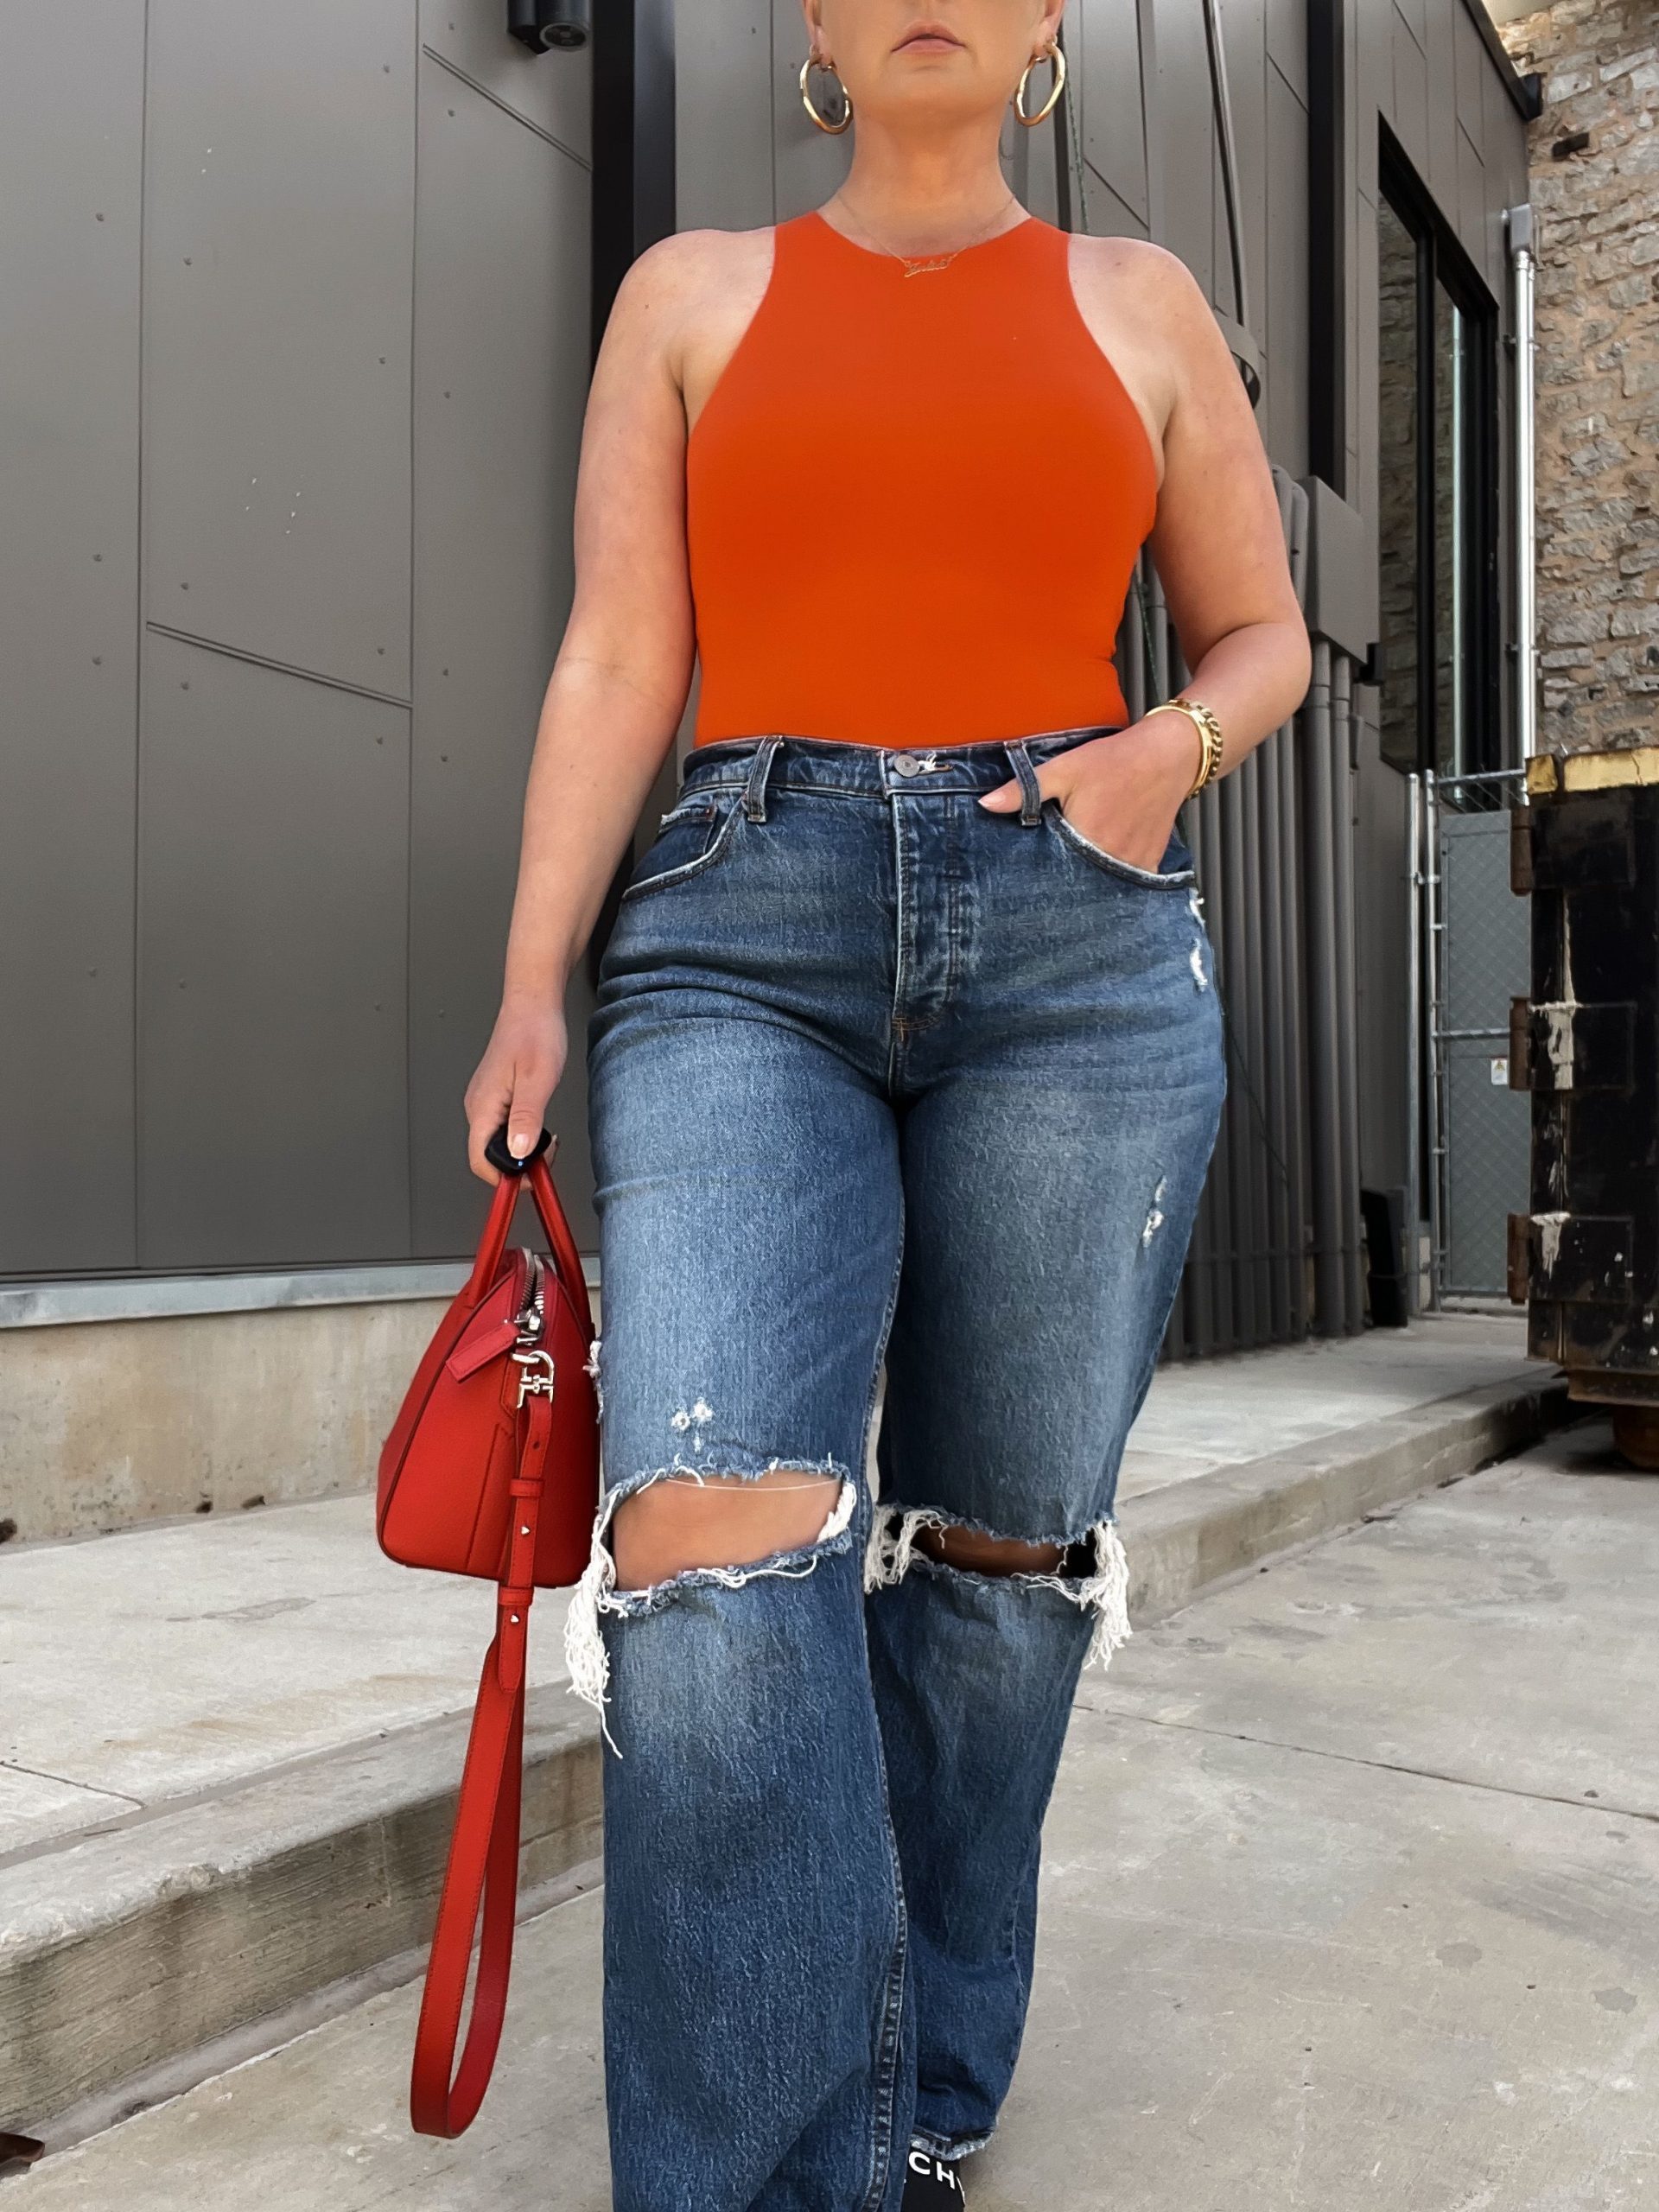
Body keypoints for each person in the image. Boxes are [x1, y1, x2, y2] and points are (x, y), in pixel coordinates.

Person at [464, 3, 1310, 2202]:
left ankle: (919, 2090)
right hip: (742, 933)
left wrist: (1160, 758)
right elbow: (619, 651)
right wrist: (532, 977)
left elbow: (1261, 637)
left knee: (1000, 1560)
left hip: (1075, 951)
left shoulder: (1142, 300)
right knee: (710, 1539)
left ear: (1046, 28)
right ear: (820, 29)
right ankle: (773, 2173)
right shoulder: (690, 295)